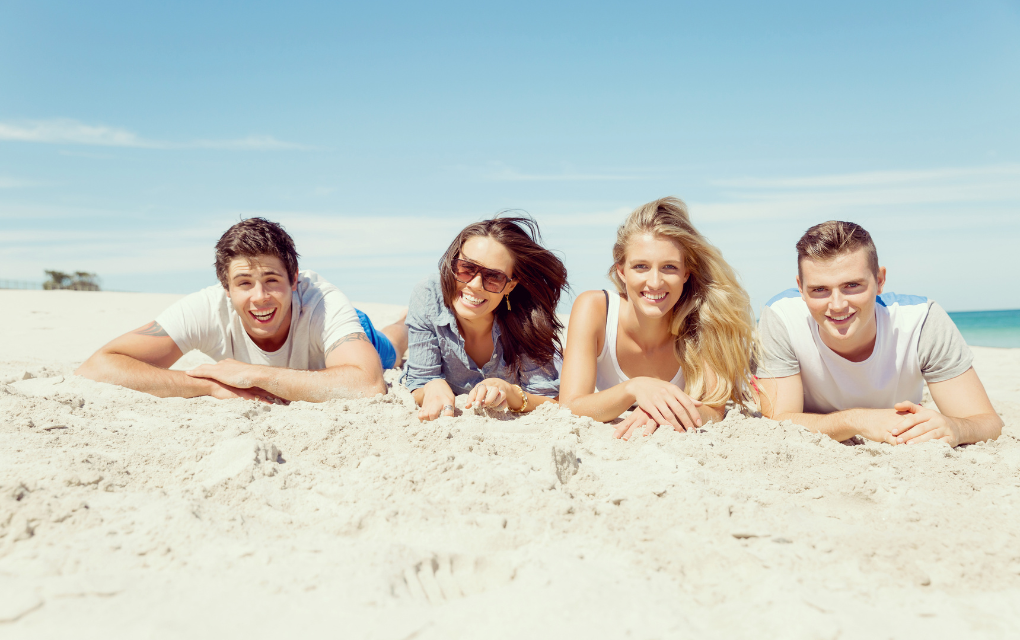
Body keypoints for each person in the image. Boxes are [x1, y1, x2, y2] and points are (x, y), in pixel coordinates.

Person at [76, 218, 408, 403]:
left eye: (272, 279)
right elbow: (96, 366)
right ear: (227, 288)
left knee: (390, 349)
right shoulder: (207, 307)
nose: (260, 297)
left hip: (343, 333)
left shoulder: (324, 301)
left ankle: (404, 323)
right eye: (245, 283)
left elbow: (368, 385)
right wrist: (208, 385)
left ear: (294, 279)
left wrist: (255, 374)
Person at [756, 220, 1002, 446]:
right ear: (800, 288)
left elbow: (987, 423)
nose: (838, 305)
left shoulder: (921, 320)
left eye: (852, 285)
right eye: (819, 289)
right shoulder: (782, 317)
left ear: (880, 280)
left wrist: (955, 427)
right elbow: (779, 422)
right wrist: (858, 420)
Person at [559, 197, 757, 439]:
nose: (654, 282)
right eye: (641, 266)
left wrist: (664, 412)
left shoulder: (704, 318)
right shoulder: (595, 308)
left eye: (669, 267)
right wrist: (634, 388)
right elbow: (570, 406)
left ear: (686, 273)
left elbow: (714, 411)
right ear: (621, 271)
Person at [402, 215, 568, 421]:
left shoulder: (527, 321)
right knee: (393, 345)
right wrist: (431, 385)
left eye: (494, 277)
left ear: (510, 285)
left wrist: (510, 391)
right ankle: (401, 330)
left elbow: (550, 399)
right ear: (452, 263)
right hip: (419, 324)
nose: (475, 284)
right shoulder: (428, 294)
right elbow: (419, 381)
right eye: (466, 268)